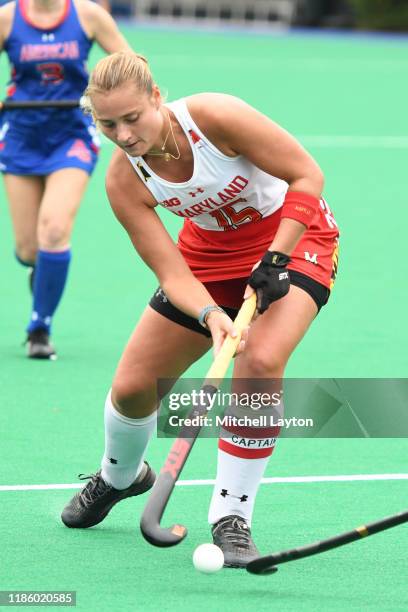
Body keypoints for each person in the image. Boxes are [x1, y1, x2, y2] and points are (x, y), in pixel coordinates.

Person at [61, 51, 339, 568]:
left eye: (132, 118)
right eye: (107, 124)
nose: (122, 135)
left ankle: (231, 515)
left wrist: (276, 258)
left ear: (156, 97)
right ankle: (120, 477)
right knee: (133, 385)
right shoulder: (125, 181)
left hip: (294, 239)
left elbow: (307, 175)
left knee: (258, 361)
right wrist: (212, 314)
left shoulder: (215, 118)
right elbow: (171, 273)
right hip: (207, 259)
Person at [0, 0, 131, 358]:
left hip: (71, 134)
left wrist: (107, 96)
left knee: (55, 230)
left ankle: (39, 327)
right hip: (21, 136)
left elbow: (130, 67)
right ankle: (41, 275)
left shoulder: (89, 15)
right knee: (29, 250)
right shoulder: (8, 17)